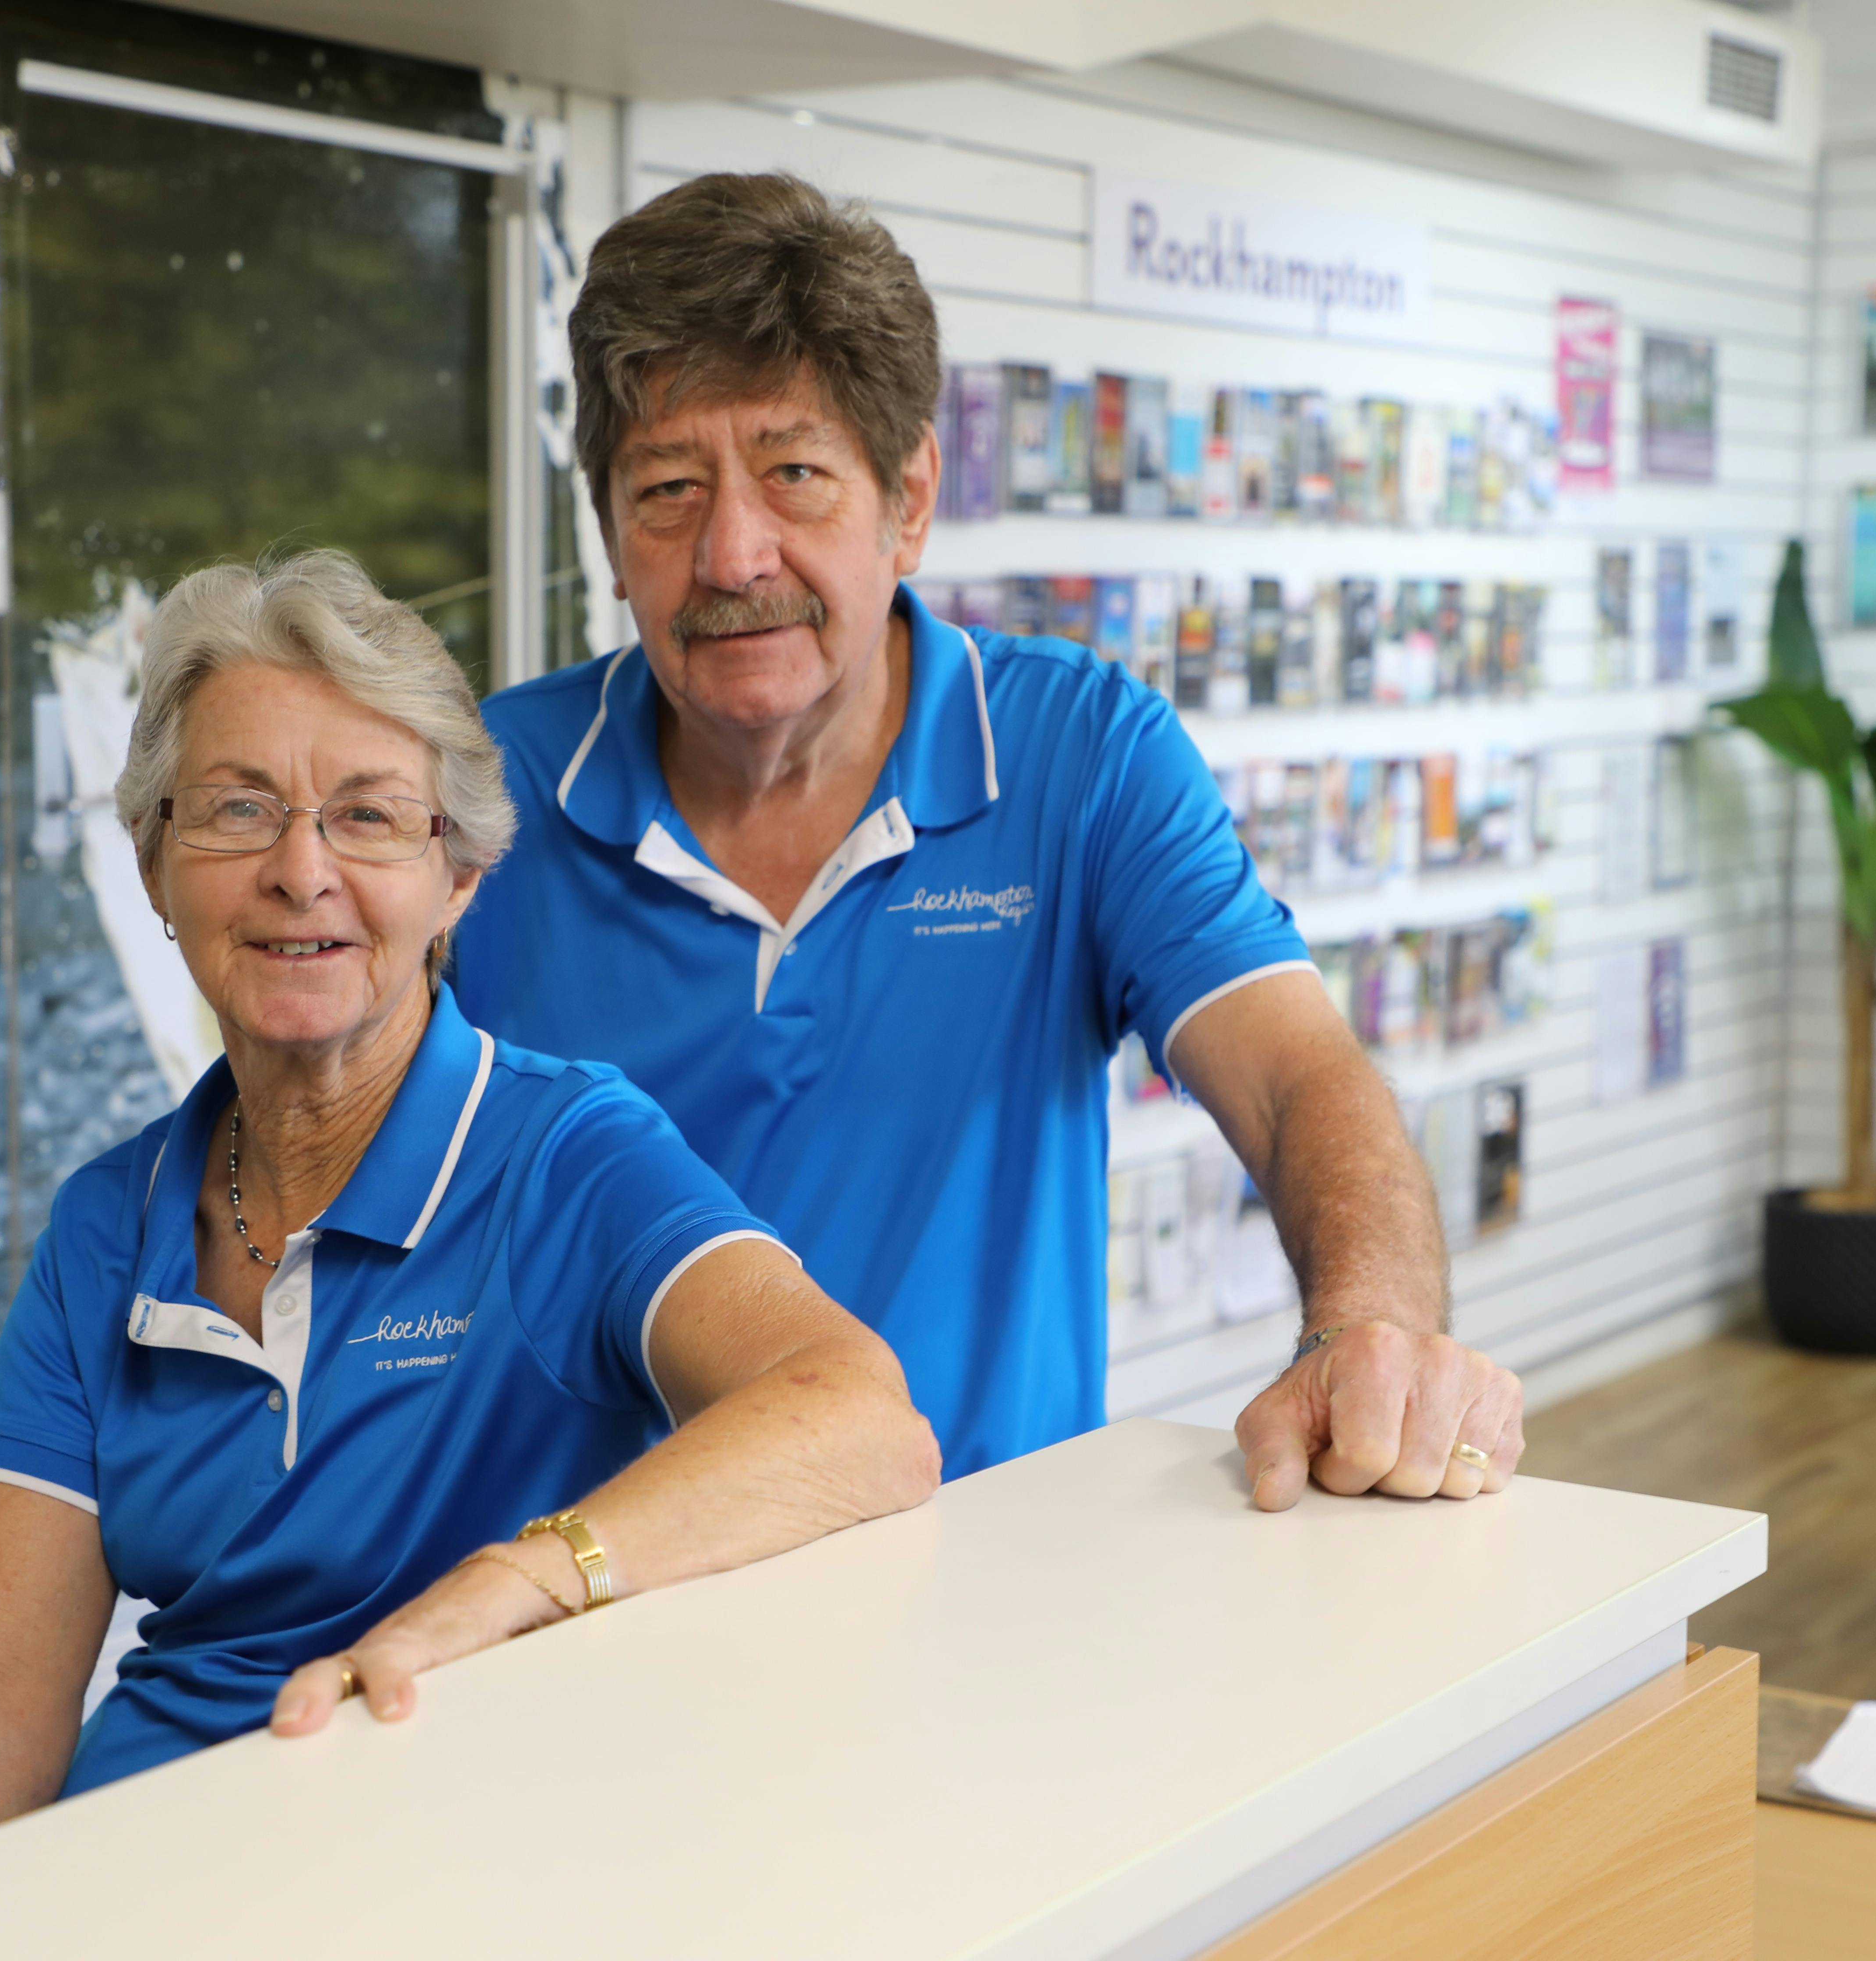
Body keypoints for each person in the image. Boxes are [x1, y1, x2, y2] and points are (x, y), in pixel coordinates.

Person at [0, 551, 938, 1890]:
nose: (301, 871)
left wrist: (520, 1584)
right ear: (159, 869)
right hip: (149, 1877)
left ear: (457, 878)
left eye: (369, 817)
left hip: (463, 1878)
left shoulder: (563, 1153)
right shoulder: (109, 1225)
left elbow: (860, 1420)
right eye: (236, 810)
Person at [454, 172, 1525, 1505]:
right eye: (668, 488)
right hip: (586, 1595)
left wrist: (1369, 1327)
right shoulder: (472, 795)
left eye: (795, 474)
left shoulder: (1080, 756)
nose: (733, 555)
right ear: (610, 535)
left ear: (909, 501)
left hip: (979, 1584)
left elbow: (1298, 1077)